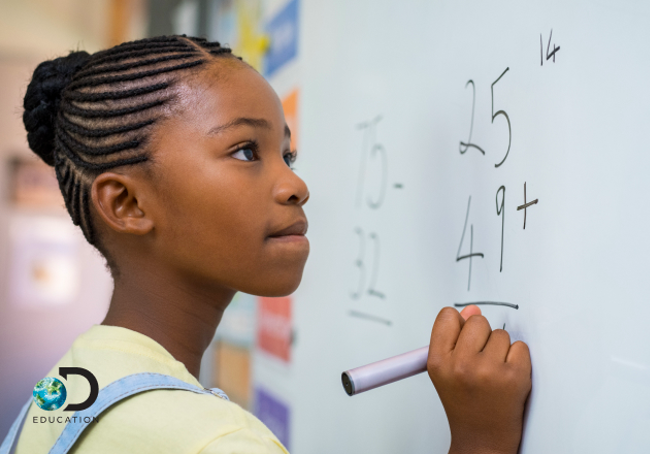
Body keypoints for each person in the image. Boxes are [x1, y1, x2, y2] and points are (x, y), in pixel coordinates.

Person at [4, 35, 532, 454]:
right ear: (127, 205)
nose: (295, 185)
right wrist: (481, 442)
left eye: (288, 156)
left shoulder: (68, 389)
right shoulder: (212, 443)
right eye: (244, 152)